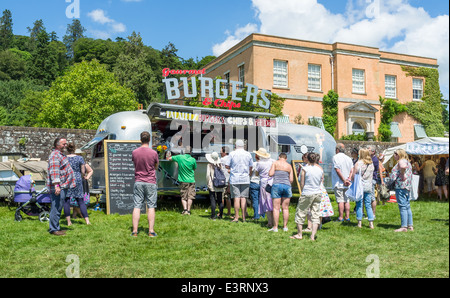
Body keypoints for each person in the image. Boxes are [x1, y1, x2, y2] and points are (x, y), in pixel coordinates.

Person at [131, 131, 159, 237]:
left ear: (140, 140)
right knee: (151, 206)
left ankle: (134, 231)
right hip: (150, 181)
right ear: (149, 139)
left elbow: (135, 164)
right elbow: (156, 166)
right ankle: (151, 231)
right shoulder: (153, 153)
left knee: (137, 206)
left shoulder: (135, 152)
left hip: (138, 181)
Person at [47, 137, 76, 236]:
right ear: (57, 145)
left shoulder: (59, 155)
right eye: (63, 144)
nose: (65, 145)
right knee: (56, 208)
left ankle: (56, 227)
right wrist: (57, 186)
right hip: (59, 187)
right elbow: (54, 172)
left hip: (62, 186)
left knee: (58, 207)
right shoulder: (55, 155)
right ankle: (54, 229)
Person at [291, 152, 323, 241]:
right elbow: (320, 182)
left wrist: (302, 191)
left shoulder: (305, 169)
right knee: (315, 215)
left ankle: (299, 234)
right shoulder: (320, 170)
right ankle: (312, 236)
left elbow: (302, 183)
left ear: (308, 159)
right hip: (317, 193)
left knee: (300, 213)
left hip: (307, 193)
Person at [224, 139, 253, 223]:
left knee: (236, 198)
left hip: (235, 178)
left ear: (235, 145)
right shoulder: (248, 154)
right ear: (243, 145)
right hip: (245, 178)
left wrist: (232, 168)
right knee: (243, 198)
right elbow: (251, 166)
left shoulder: (232, 154)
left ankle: (236, 217)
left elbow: (226, 165)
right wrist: (249, 173)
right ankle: (244, 217)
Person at [64, 144, 91, 226]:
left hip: (67, 179)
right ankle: (87, 221)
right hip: (77, 179)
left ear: (67, 149)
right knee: (80, 201)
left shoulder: (64, 158)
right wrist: (81, 176)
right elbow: (83, 171)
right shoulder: (80, 158)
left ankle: (69, 222)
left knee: (66, 201)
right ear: (74, 149)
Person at [349, 148, 375, 229]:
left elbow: (354, 174)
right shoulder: (371, 164)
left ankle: (359, 222)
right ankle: (371, 223)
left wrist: (352, 181)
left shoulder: (358, 163)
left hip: (360, 186)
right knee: (368, 204)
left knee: (359, 204)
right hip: (368, 186)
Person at [168, 146, 197, 215]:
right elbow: (194, 168)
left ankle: (185, 210)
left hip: (183, 180)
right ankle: (189, 211)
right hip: (191, 180)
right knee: (190, 196)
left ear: (184, 151)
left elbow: (169, 159)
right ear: (190, 152)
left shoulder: (180, 157)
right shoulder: (193, 160)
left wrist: (168, 154)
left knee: (183, 196)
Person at [389, 149, 413, 232]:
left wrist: (402, 174)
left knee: (402, 206)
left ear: (398, 154)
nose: (394, 155)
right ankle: (410, 225)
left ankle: (404, 227)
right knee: (407, 206)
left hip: (401, 186)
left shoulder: (401, 161)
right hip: (407, 186)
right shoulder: (407, 162)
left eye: (395, 154)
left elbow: (402, 166)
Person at [269, 152, 293, 232]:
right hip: (287, 186)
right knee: (285, 208)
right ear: (286, 158)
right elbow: (291, 179)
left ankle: (275, 227)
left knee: (276, 208)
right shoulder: (289, 166)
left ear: (279, 157)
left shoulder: (275, 163)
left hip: (276, 185)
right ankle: (285, 227)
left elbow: (270, 174)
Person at [332, 143, 353, 222]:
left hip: (339, 182)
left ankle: (340, 217)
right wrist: (349, 179)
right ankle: (347, 217)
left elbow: (337, 170)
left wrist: (344, 180)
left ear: (337, 150)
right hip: (347, 183)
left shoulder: (335, 157)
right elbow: (352, 170)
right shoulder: (348, 158)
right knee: (347, 200)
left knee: (340, 200)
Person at [253, 148, 275, 227]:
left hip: (264, 183)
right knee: (272, 202)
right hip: (272, 182)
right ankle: (274, 221)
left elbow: (256, 173)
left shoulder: (259, 163)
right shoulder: (272, 161)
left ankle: (269, 222)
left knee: (266, 202)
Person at [71, 149, 93, 219]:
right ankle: (76, 215)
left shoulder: (84, 164)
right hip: (75, 182)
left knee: (81, 199)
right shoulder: (72, 163)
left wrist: (87, 177)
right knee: (75, 199)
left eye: (78, 154)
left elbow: (91, 171)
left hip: (82, 182)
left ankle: (80, 214)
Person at [206, 151, 224, 219]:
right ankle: (221, 215)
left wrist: (208, 184)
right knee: (220, 200)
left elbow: (208, 176)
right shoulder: (220, 165)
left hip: (212, 184)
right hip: (220, 184)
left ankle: (213, 216)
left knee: (213, 200)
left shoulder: (209, 165)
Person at [249, 154, 261, 221]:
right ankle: (262, 214)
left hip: (254, 182)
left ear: (256, 157)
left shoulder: (254, 164)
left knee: (255, 200)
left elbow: (250, 173)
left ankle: (256, 215)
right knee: (261, 200)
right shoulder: (264, 164)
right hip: (261, 182)